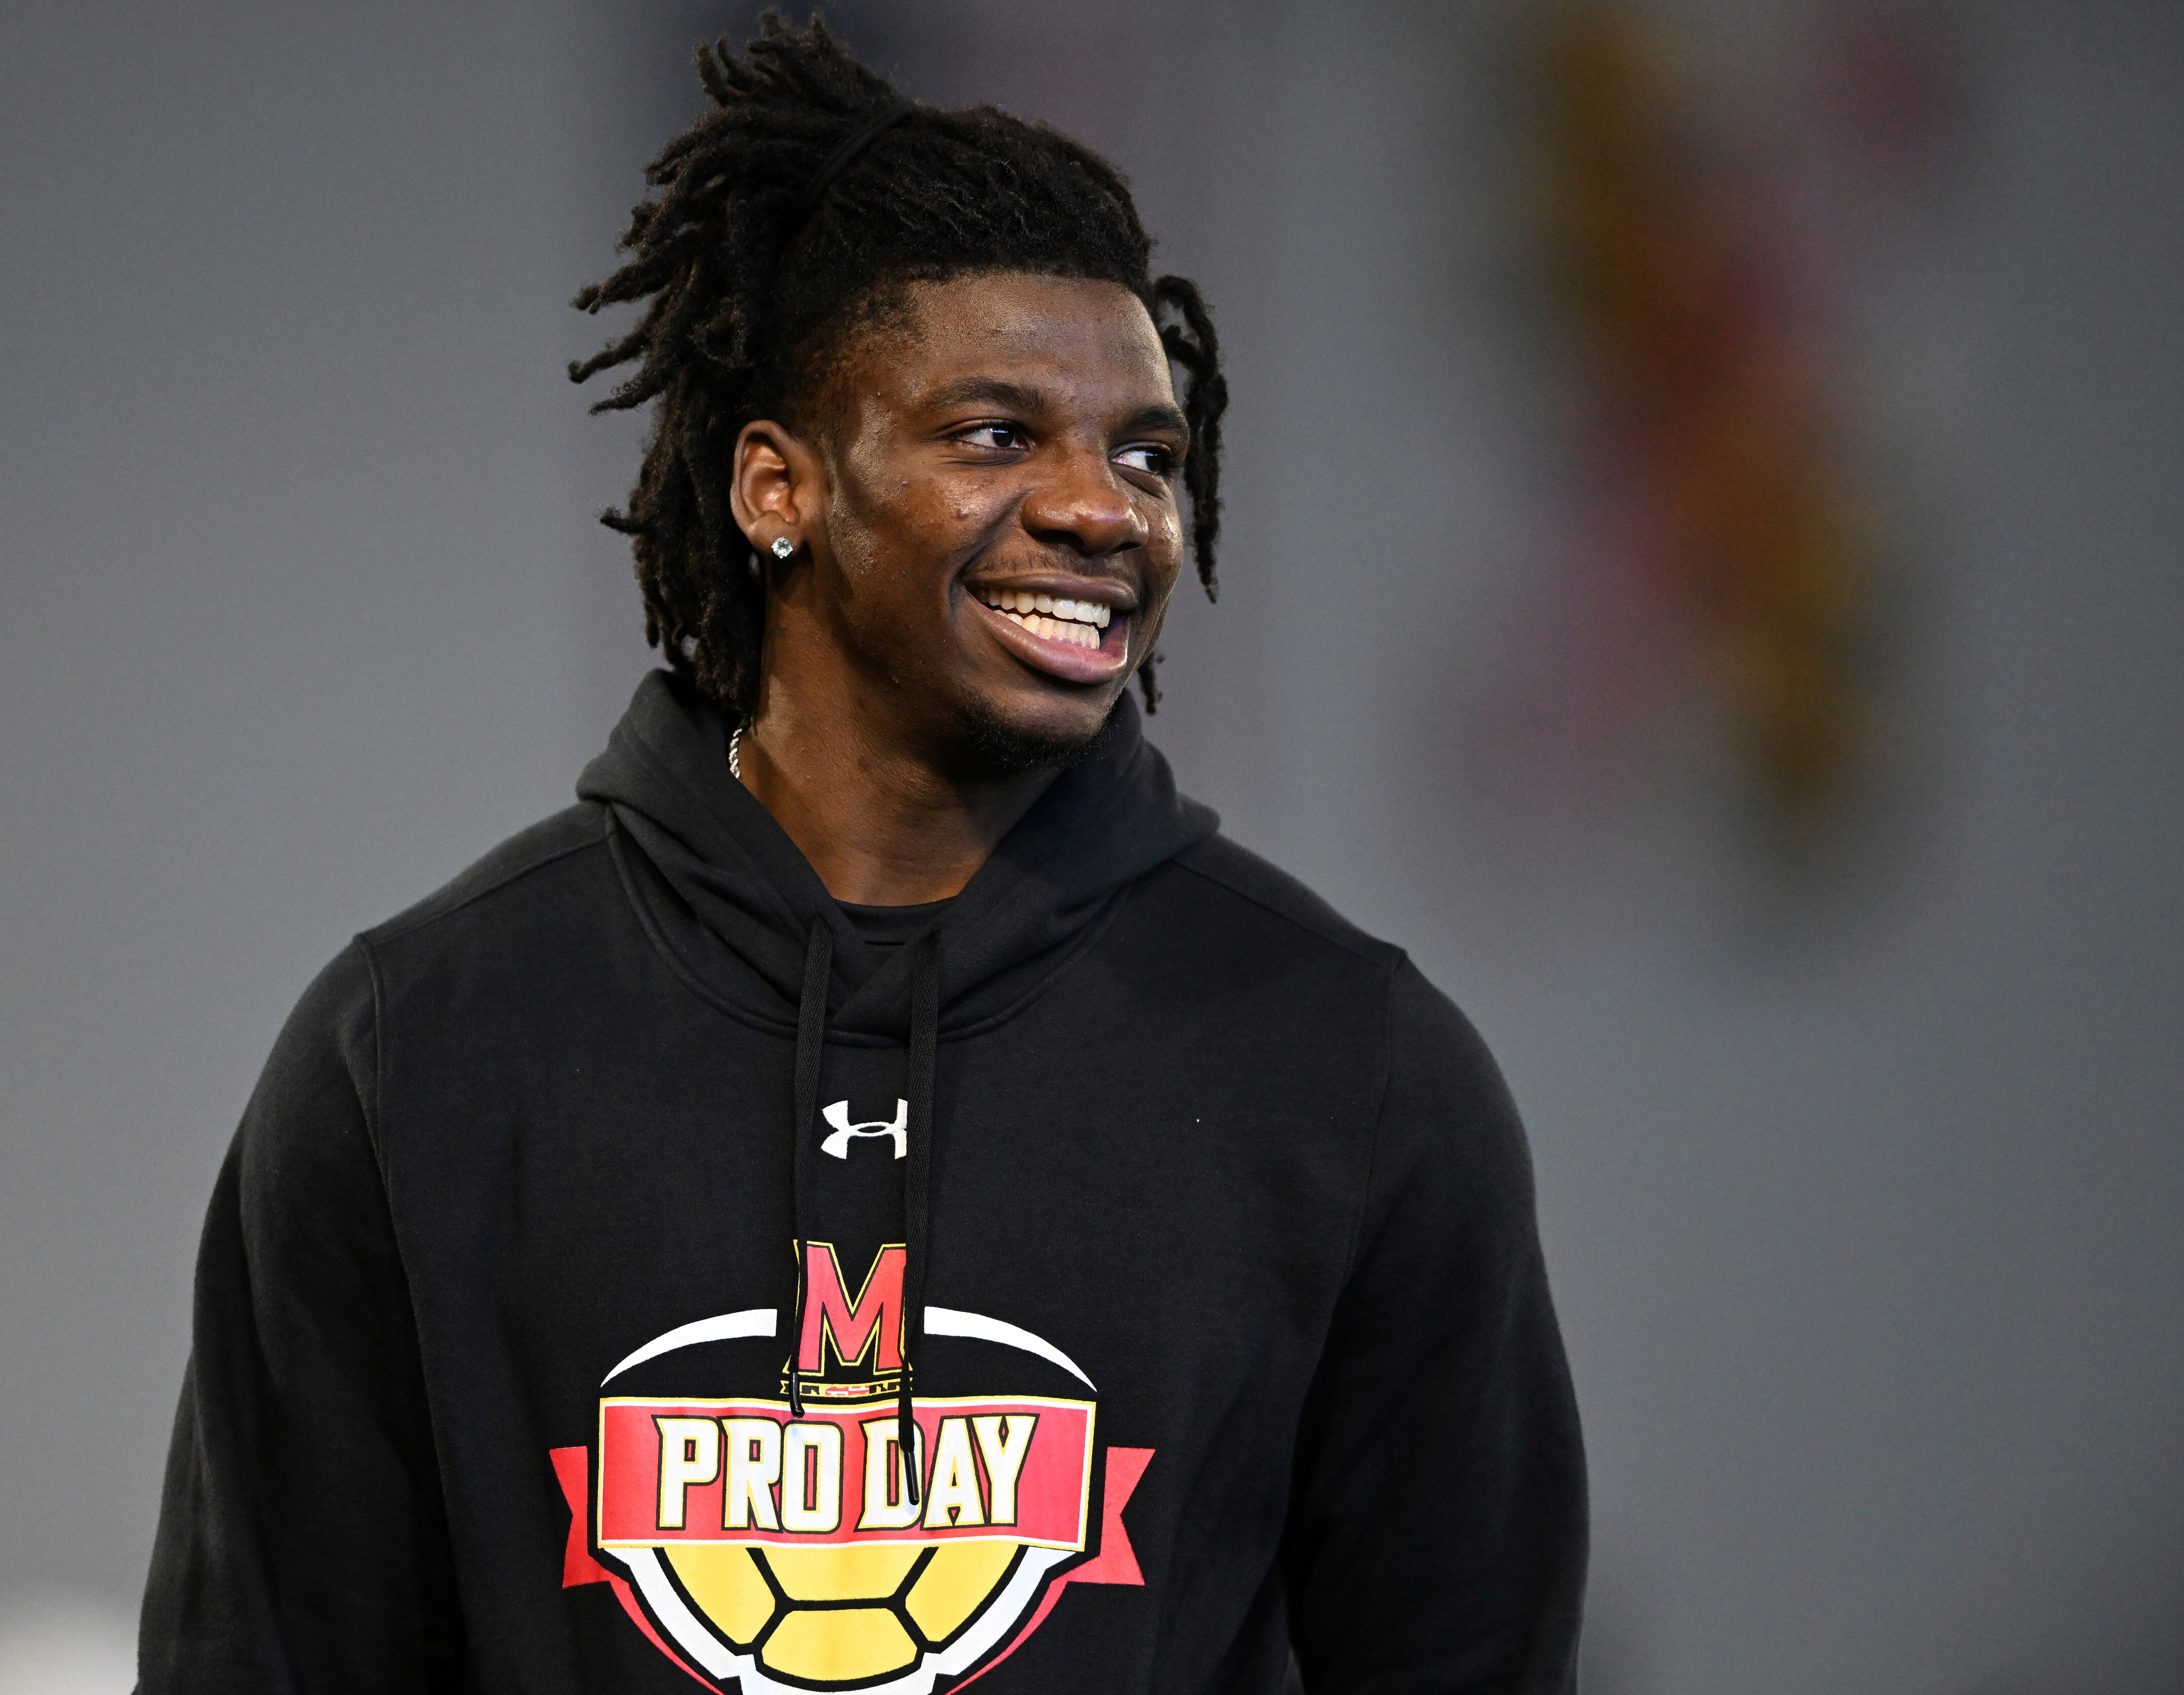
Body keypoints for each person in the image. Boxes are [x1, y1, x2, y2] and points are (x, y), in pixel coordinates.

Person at [136, 15, 1585, 1694]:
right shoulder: (419, 1054)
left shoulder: (1355, 1071)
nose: (1105, 509)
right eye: (995, 436)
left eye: (1150, 455)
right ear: (778, 488)